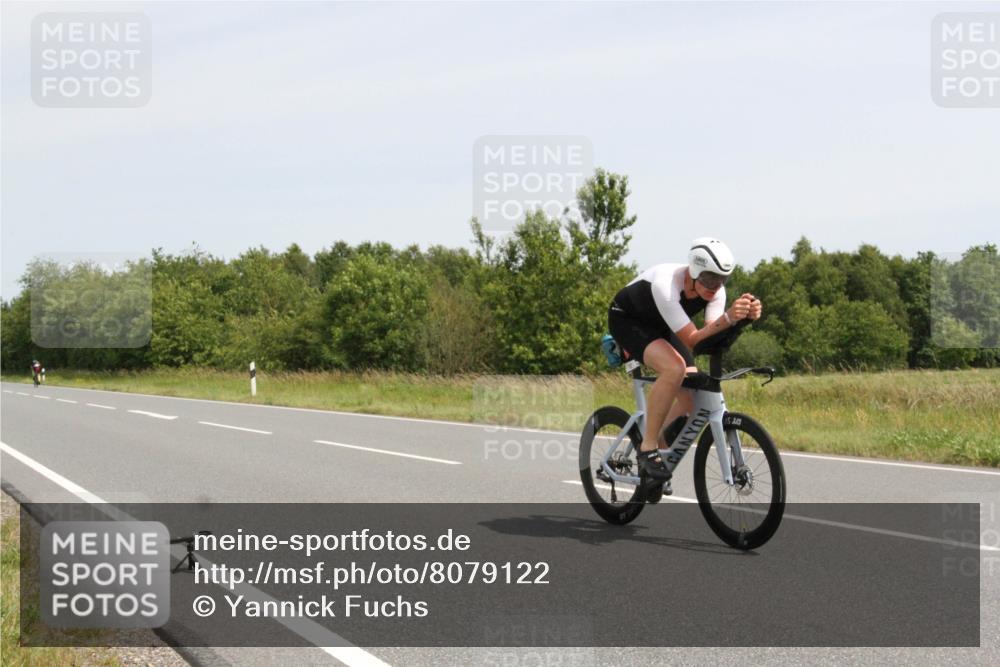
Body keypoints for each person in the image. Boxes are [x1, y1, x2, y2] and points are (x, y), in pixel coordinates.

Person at [607, 238, 762, 485]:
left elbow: (710, 332)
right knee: (674, 369)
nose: (715, 285)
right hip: (628, 321)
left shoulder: (715, 292)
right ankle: (647, 448)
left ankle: (657, 436)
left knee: (691, 398)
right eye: (710, 278)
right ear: (694, 271)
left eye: (722, 279)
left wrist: (742, 319)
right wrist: (730, 317)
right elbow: (691, 339)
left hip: (664, 325)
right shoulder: (666, 286)